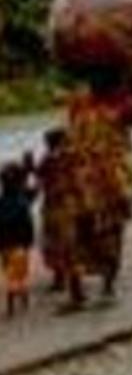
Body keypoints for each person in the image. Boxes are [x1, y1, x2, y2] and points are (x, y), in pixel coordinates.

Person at [58, 70, 132, 312]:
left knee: (110, 233)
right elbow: (67, 131)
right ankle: (77, 293)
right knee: (74, 234)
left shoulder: (123, 103)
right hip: (78, 177)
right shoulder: (80, 99)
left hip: (112, 180)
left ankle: (107, 288)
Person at [0, 155, 36, 316]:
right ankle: (19, 302)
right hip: (20, 243)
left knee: (9, 271)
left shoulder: (2, 202)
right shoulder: (23, 200)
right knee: (20, 274)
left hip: (5, 243)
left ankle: (14, 304)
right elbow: (34, 190)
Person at [36, 127, 71, 291]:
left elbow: (39, 179)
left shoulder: (48, 159)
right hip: (67, 205)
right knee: (65, 242)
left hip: (53, 205)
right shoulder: (69, 157)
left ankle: (60, 278)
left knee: (54, 242)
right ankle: (65, 277)